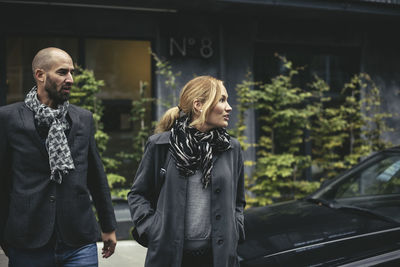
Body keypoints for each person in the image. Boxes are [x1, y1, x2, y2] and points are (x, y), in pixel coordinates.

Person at [0, 47, 117, 267]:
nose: (70, 79)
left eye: (71, 72)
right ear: (40, 75)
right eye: (62, 72)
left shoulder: (83, 118)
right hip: (28, 240)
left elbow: (95, 176)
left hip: (79, 238)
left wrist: (108, 226)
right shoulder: (8, 118)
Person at [128, 76, 246, 267]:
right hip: (170, 255)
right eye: (222, 100)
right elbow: (138, 194)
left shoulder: (231, 148)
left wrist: (236, 228)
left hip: (218, 257)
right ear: (199, 105)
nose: (229, 107)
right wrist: (153, 229)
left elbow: (238, 200)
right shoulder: (161, 145)